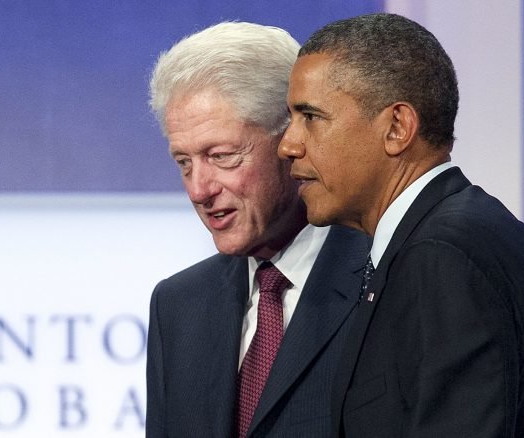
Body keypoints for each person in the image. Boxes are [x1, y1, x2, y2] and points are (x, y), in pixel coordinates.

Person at [278, 13, 524, 438]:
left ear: (397, 128)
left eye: (311, 117)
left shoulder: (442, 258)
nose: (288, 145)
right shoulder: (487, 235)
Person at [146, 22, 370, 437]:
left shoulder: (386, 278)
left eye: (222, 156)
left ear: (292, 140)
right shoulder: (178, 306)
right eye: (184, 162)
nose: (199, 190)